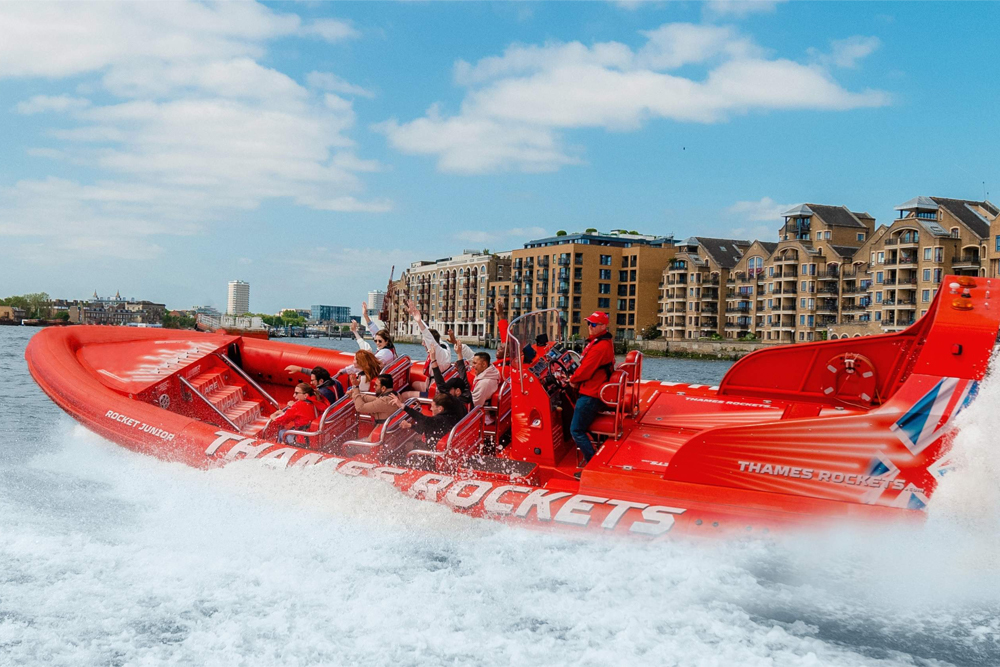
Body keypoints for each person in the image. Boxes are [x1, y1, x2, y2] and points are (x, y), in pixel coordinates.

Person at [568, 311, 615, 465]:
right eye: (589, 323)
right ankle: (596, 453)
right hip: (595, 389)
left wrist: (573, 380)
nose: (590, 326)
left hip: (591, 394)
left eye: (593, 324)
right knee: (579, 425)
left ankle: (592, 464)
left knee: (576, 430)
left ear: (603, 326)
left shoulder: (599, 347)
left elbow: (585, 369)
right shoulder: (602, 342)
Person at [387, 392, 465, 447]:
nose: (430, 409)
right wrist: (410, 426)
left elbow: (423, 420)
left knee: (407, 446)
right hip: (441, 442)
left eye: (432, 406)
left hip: (432, 454)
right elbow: (426, 426)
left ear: (440, 408)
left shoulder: (441, 420)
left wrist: (403, 406)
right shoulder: (455, 412)